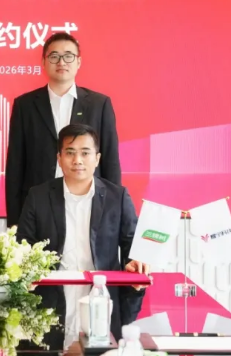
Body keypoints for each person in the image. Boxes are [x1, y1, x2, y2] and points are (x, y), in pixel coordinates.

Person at [16, 123, 147, 341]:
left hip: (101, 299)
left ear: (97, 158)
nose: (77, 160)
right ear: (59, 158)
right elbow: (24, 244)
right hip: (50, 303)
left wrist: (135, 263)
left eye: (85, 153)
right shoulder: (38, 196)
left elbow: (131, 245)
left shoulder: (117, 197)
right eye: (70, 153)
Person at [5, 32, 121, 228]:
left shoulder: (99, 104)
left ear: (78, 62)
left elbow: (110, 160)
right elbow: (16, 164)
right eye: (54, 56)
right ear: (43, 62)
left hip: (88, 201)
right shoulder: (25, 105)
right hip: (39, 204)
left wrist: (113, 212)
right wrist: (15, 221)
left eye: (68, 56)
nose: (61, 62)